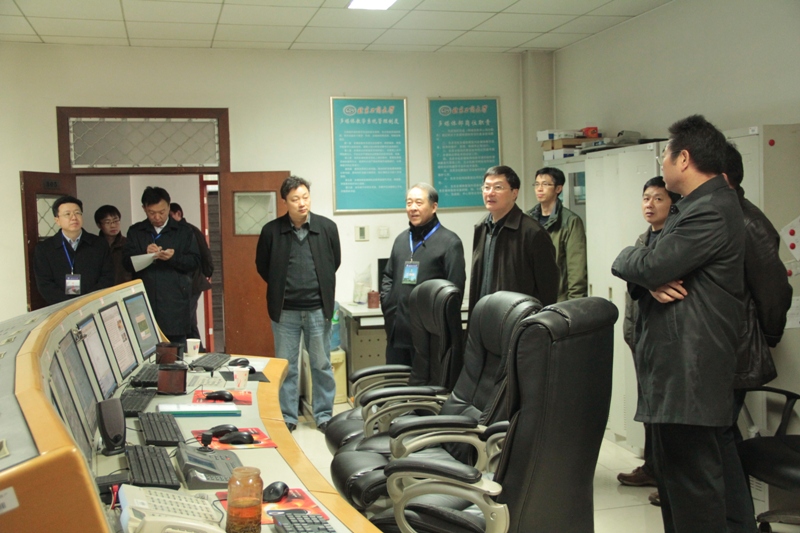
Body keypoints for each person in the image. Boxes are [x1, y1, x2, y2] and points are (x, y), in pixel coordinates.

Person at [612, 115, 753, 532]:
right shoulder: (692, 206)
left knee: (695, 492)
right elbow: (654, 267)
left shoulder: (710, 209)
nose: (663, 163)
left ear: (684, 159)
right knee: (678, 485)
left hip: (690, 373)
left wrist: (637, 263)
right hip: (677, 371)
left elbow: (650, 262)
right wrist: (649, 276)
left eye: (666, 156)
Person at [255, 176, 341, 433]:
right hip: (285, 313)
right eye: (295, 199)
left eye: (305, 197)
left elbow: (334, 262)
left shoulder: (327, 228)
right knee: (287, 367)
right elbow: (263, 266)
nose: (302, 203)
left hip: (318, 309)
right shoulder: (271, 231)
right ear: (285, 201)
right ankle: (288, 416)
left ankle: (323, 415)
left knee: (321, 364)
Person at [616, 177, 681, 502]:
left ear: (673, 204)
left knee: (666, 412)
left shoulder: (675, 242)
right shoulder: (643, 240)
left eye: (658, 198)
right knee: (649, 407)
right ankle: (653, 467)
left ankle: (668, 477)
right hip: (641, 336)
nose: (650, 205)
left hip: (667, 340)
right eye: (646, 198)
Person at [723, 141, 792, 420]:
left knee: (719, 432)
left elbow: (774, 291)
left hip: (733, 346)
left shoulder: (749, 223)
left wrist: (767, 336)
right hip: (711, 348)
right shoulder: (714, 216)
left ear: (721, 178)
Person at [380, 183, 466, 366]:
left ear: (434, 207)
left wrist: (438, 326)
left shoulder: (450, 243)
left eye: (419, 203)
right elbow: (388, 276)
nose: (413, 208)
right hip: (398, 332)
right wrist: (388, 304)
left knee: (424, 384)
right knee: (395, 382)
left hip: (429, 337)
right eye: (409, 203)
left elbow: (455, 291)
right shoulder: (402, 240)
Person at [469, 165, 558, 314]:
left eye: (498, 187)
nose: (490, 193)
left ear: (514, 193)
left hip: (517, 320)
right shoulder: (481, 227)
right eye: (486, 187)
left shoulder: (533, 232)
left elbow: (548, 289)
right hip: (484, 318)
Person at [123, 187, 200, 348]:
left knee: (175, 352)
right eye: (152, 213)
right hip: (145, 300)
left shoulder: (183, 231)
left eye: (162, 212)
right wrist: (144, 253)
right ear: (144, 209)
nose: (157, 217)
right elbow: (126, 263)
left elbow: (194, 262)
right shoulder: (136, 231)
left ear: (169, 207)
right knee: (145, 347)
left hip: (174, 302)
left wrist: (173, 257)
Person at [34, 195, 114, 305]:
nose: (74, 218)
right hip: (61, 308)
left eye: (77, 213)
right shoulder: (45, 249)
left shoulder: (99, 244)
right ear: (57, 220)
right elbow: (45, 284)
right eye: (67, 214)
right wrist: (69, 305)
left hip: (93, 305)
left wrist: (87, 301)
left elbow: (107, 278)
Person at [526, 167, 587, 301]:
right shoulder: (527, 219)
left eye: (545, 184)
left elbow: (576, 269)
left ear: (558, 188)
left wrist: (575, 303)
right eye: (537, 184)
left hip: (558, 299)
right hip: (531, 299)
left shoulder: (570, 221)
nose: (539, 189)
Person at [170, 202, 214, 350]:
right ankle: (198, 351)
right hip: (185, 283)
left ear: (178, 214)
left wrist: (208, 272)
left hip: (193, 282)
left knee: (187, 320)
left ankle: (198, 351)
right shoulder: (176, 232)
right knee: (189, 319)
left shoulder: (189, 231)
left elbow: (204, 253)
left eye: (169, 215)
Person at [94, 204, 132, 286]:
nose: (113, 225)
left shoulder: (128, 243)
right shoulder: (94, 246)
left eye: (116, 221)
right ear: (99, 225)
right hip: (102, 290)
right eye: (107, 222)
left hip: (125, 289)